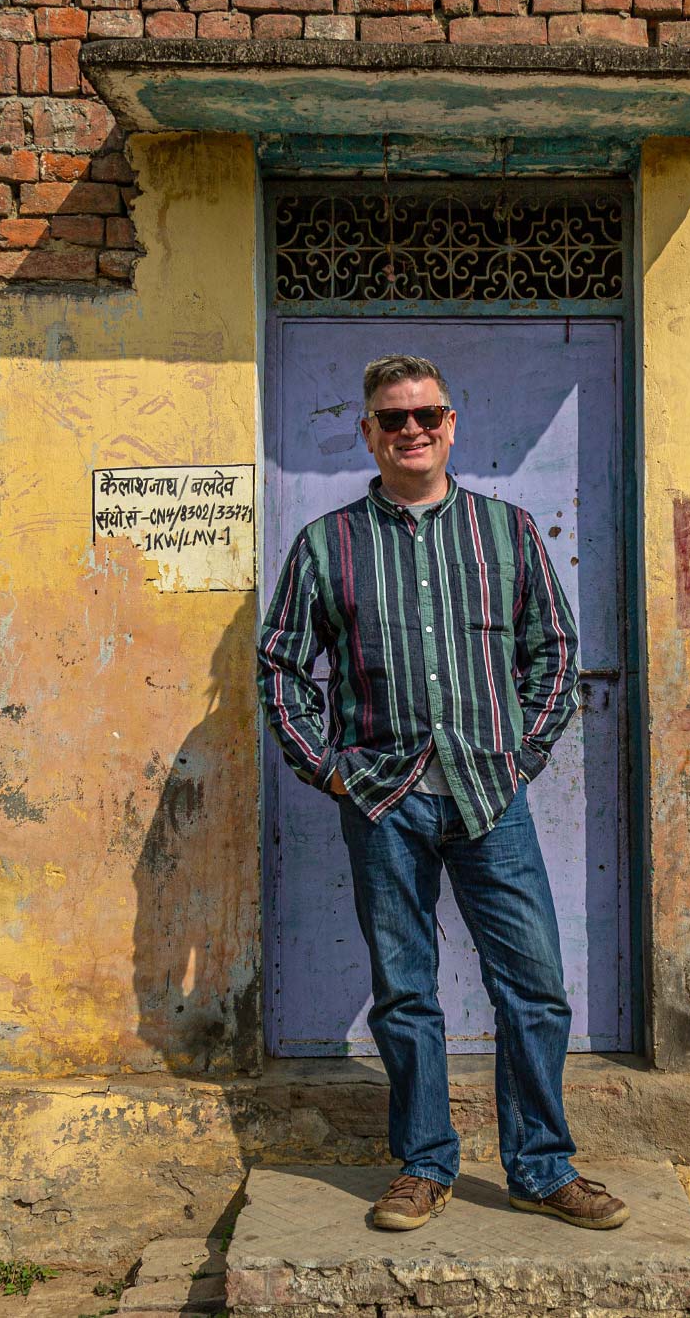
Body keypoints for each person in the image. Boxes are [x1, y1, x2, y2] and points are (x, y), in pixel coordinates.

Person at [256, 353, 629, 1233]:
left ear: (452, 424)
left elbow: (555, 650)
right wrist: (331, 766)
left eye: (426, 414)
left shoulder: (508, 531)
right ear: (369, 433)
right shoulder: (328, 544)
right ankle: (424, 1164)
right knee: (406, 990)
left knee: (534, 986)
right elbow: (280, 667)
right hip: (382, 797)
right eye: (393, 419)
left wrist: (522, 754)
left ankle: (542, 1166)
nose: (411, 430)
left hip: (487, 793)